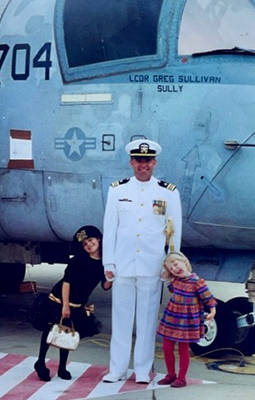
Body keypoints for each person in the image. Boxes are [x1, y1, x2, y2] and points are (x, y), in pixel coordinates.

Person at [102, 139, 182, 384]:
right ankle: (117, 369)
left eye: (147, 161)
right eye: (138, 160)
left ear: (154, 162)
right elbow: (110, 228)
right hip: (123, 264)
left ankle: (142, 371)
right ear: (131, 162)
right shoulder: (118, 190)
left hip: (152, 265)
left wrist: (171, 265)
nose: (142, 165)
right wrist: (109, 263)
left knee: (147, 322)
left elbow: (174, 232)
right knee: (121, 319)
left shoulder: (168, 192)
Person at [33, 225, 112, 382]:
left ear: (99, 239)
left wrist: (111, 277)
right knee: (51, 329)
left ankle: (62, 367)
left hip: (78, 303)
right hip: (61, 298)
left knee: (67, 333)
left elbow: (105, 286)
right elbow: (66, 282)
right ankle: (40, 362)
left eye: (90, 240)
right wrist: (65, 306)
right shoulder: (78, 260)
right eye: (85, 244)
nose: (89, 245)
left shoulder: (104, 262)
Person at [157, 251, 217, 388]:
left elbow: (208, 297)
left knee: (183, 348)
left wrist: (213, 310)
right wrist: (166, 276)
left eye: (176, 264)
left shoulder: (197, 282)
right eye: (171, 268)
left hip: (187, 320)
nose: (175, 269)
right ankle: (170, 374)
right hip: (172, 317)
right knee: (167, 347)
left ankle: (182, 377)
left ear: (185, 262)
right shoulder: (175, 281)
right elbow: (172, 289)